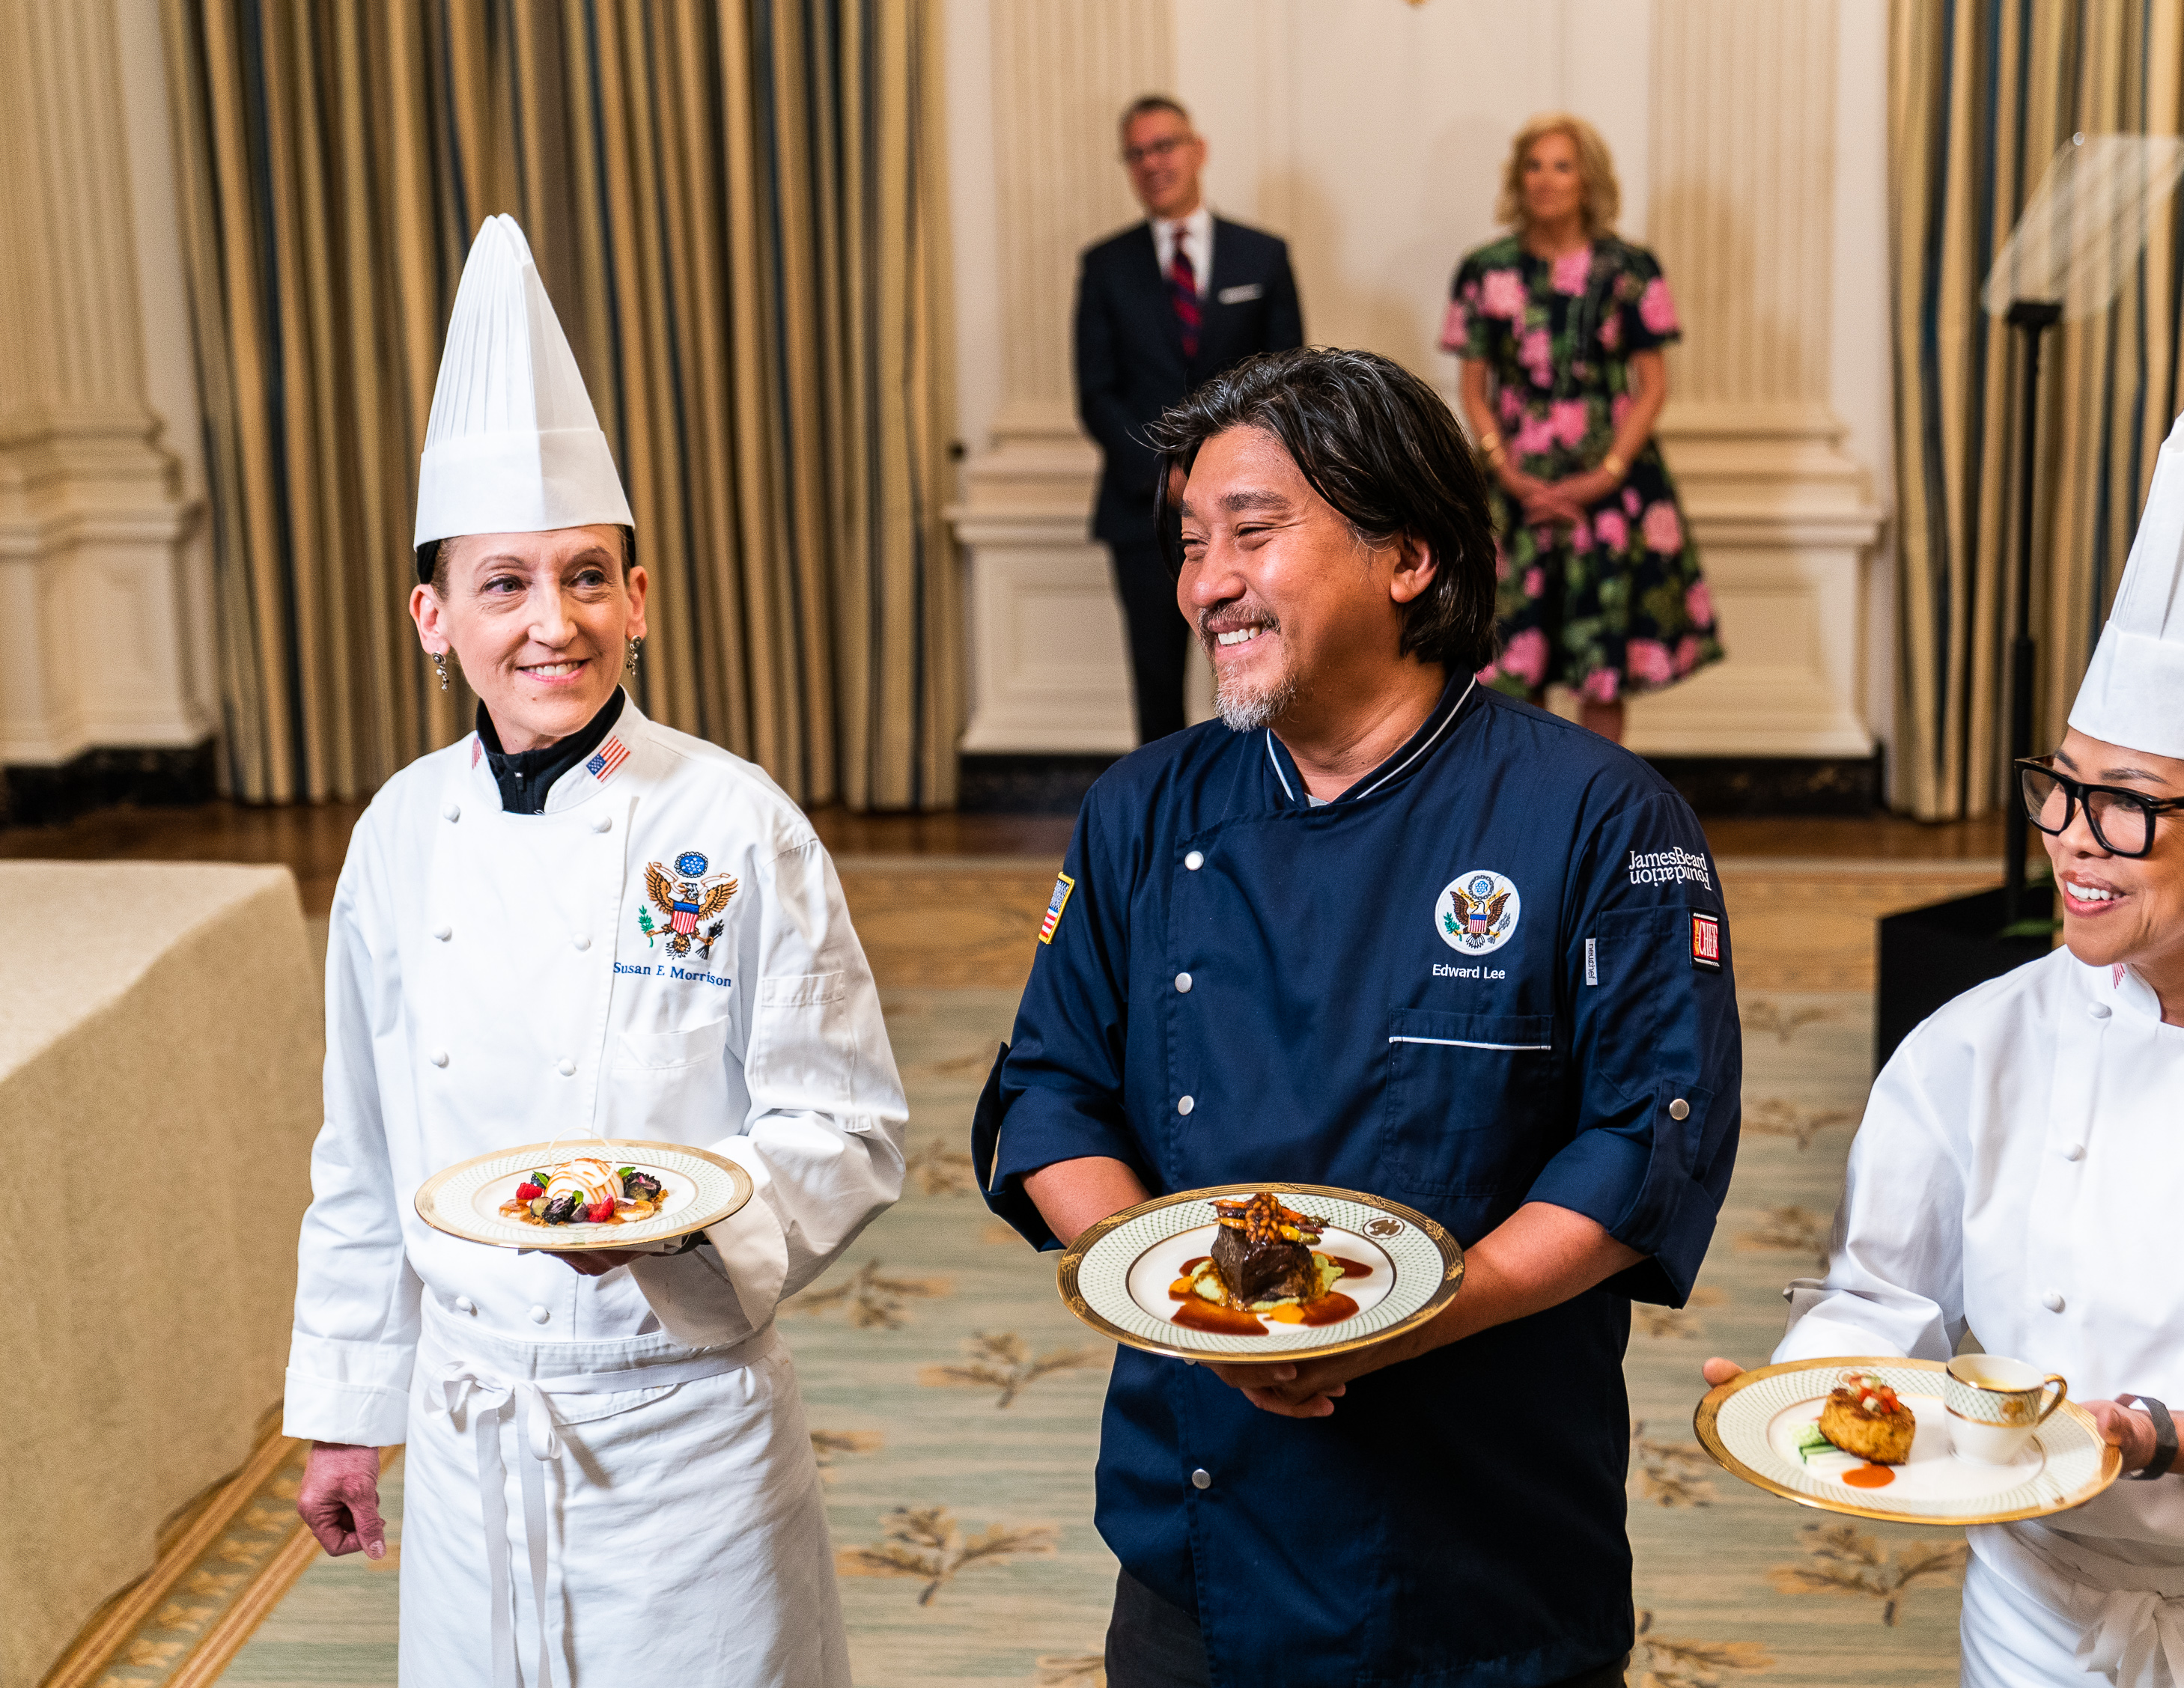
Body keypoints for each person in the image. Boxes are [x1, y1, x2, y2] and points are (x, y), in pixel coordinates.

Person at [1704, 383, 2184, 1687]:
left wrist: (2165, 1437)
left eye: (2126, 806)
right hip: (2046, 1620)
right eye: (2062, 788)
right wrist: (1805, 1397)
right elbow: (1882, 1297)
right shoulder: (1967, 1051)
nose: (2072, 837)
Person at [972, 348, 1742, 1687]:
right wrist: (1184, 1317)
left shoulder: (1602, 820)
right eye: (1194, 542)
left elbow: (1643, 1142)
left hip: (1480, 1551)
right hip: (1196, 1546)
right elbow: (1049, 1095)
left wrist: (1405, 1323)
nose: (1207, 581)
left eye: (1255, 533)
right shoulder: (1141, 814)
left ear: (1412, 557)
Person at [286, 216, 907, 1687]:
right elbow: (360, 1151)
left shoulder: (736, 823)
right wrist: (343, 1403)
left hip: (681, 1424)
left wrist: (685, 1242)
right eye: (503, 584)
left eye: (585, 578)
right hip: (470, 1424)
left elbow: (850, 1125)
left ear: (641, 598)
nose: (550, 622)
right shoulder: (394, 837)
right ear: (434, 618)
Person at [1443, 113, 1719, 745]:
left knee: (1604, 663)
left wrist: (1605, 474)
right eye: (1534, 165)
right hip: (1512, 492)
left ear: (1588, 179)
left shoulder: (1631, 269)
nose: (1546, 179)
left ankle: (1599, 814)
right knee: (1515, 663)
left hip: (1613, 493)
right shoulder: (1485, 269)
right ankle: (1530, 816)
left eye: (1562, 165)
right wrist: (1507, 471)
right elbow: (1472, 391)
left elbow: (1653, 386)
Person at [1075, 94, 1304, 746]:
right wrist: (1169, 482)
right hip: (1140, 510)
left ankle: (1257, 803)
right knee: (1155, 679)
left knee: (1256, 667)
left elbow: (1284, 384)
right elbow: (1097, 394)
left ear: (1196, 150)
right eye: (1138, 152)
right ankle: (1162, 824)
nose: (1153, 163)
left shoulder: (1261, 257)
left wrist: (1218, 481)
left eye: (1165, 146)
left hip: (1251, 510)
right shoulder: (1105, 267)